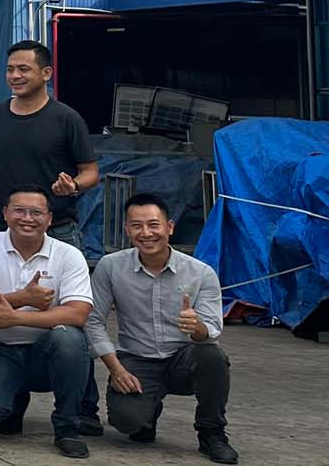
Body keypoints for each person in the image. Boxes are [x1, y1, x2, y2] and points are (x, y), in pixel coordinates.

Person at [89, 193, 236, 464]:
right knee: (128, 423)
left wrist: (196, 327)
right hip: (137, 359)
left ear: (169, 227)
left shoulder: (201, 272)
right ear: (127, 230)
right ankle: (147, 413)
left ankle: (211, 432)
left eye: (153, 225)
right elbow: (93, 320)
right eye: (137, 226)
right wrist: (116, 369)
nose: (146, 233)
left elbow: (212, 329)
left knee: (212, 357)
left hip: (183, 358)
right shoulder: (110, 267)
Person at [0, 186, 96, 459]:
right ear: (5, 213)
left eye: (36, 212)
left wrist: (16, 317)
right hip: (0, 348)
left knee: (69, 337)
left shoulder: (69, 254)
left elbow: (77, 313)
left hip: (48, 351)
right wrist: (22, 297)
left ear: (49, 218)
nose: (27, 218)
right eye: (19, 211)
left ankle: (67, 428)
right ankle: (15, 398)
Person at [0, 40, 99, 251]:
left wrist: (73, 185)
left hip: (57, 229)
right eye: (10, 69)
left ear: (46, 73)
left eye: (23, 69)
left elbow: (91, 172)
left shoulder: (67, 119)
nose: (15, 76)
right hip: (6, 228)